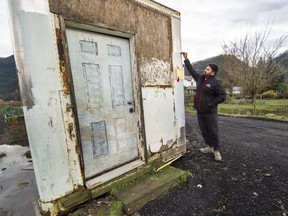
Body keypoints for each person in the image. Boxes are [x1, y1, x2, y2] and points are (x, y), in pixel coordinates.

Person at [181, 52, 226, 161]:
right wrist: (186, 59)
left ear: (213, 73)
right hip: (200, 111)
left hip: (210, 112)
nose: (205, 70)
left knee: (213, 131)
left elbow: (222, 96)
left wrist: (212, 103)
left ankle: (216, 150)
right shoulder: (200, 79)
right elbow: (191, 71)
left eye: (208, 69)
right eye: (206, 68)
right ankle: (209, 147)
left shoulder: (215, 83)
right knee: (204, 130)